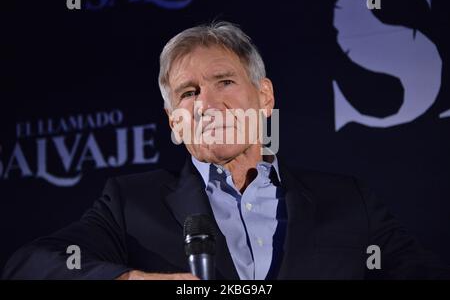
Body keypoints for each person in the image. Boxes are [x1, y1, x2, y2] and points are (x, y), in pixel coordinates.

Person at [3, 22, 449, 280]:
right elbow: (27, 266)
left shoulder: (349, 202)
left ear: (265, 96)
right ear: (173, 119)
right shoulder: (129, 206)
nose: (207, 104)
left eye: (225, 82)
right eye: (188, 93)